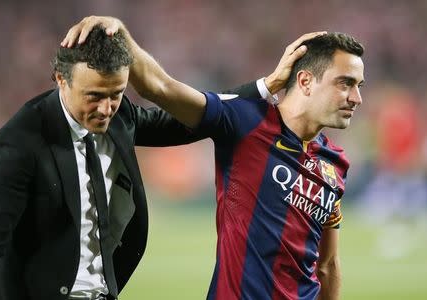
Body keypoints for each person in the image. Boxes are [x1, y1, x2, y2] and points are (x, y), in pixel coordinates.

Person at [0, 21, 314, 300]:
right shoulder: (18, 145)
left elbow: (183, 122)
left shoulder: (119, 116)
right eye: (94, 96)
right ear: (61, 80)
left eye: (116, 94)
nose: (107, 108)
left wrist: (263, 87)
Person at [65, 16, 364, 300]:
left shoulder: (335, 163)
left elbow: (328, 265)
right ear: (306, 81)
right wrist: (119, 33)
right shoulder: (246, 122)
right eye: (345, 83)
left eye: (358, 86)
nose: (356, 98)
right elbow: (159, 87)